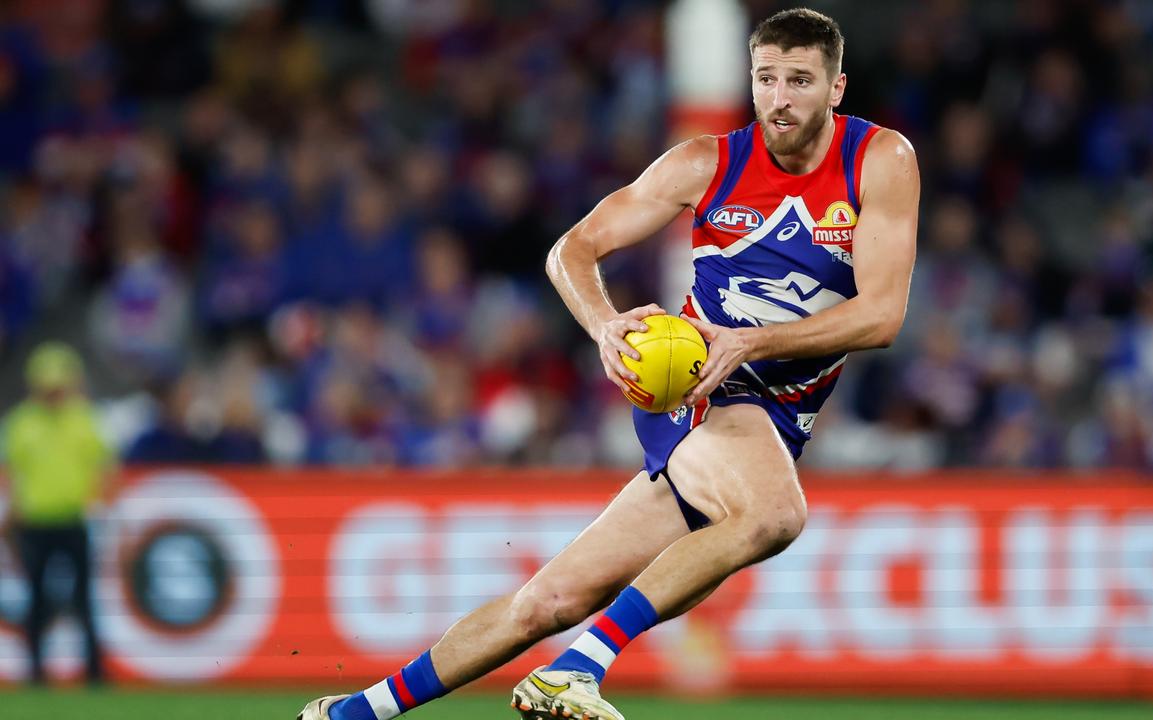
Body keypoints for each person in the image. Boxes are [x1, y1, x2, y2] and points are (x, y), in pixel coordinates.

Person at [299, 8, 918, 720]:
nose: (779, 98)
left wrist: (750, 341)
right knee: (774, 515)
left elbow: (882, 316)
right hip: (696, 384)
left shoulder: (880, 160)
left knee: (548, 601)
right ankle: (576, 672)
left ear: (837, 88)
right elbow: (573, 249)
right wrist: (602, 326)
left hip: (766, 394)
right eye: (766, 79)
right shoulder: (705, 163)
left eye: (800, 81)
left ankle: (351, 713)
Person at [1, 342, 115, 685]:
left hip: (74, 520)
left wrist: (99, 504)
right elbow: (10, 474)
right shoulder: (21, 423)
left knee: (83, 599)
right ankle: (36, 672)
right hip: (34, 523)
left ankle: (94, 672)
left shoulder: (84, 419)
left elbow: (105, 469)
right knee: (36, 599)